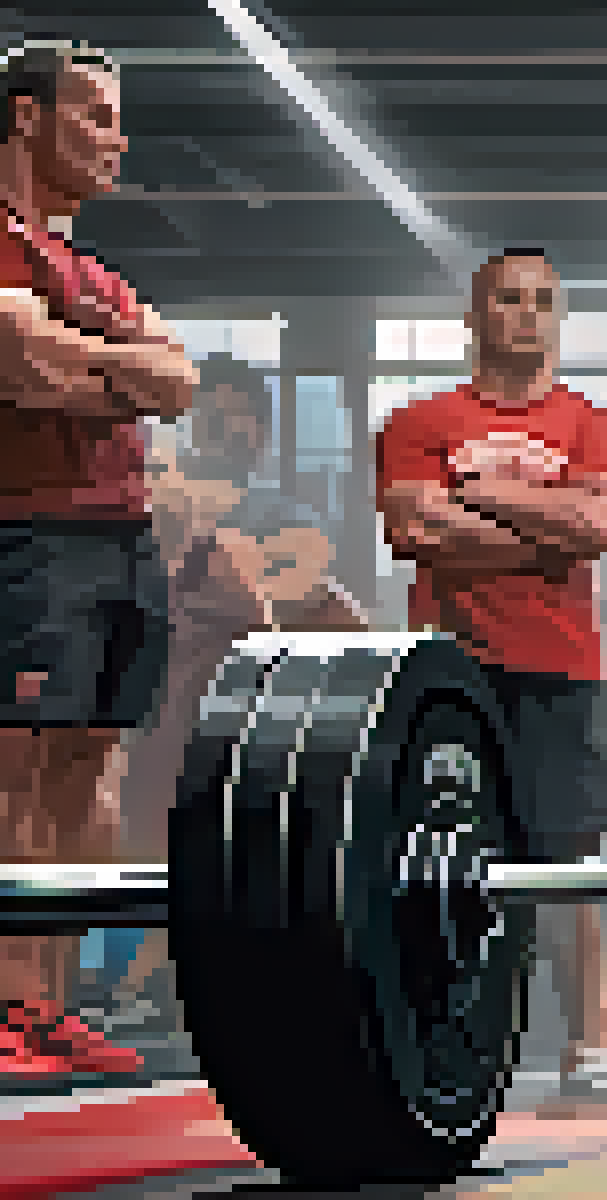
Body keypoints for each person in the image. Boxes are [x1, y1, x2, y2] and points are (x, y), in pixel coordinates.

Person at [375, 247, 607, 1098]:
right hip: (447, 670)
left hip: (561, 669)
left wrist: (478, 492)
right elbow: (416, 532)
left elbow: (593, 530)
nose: (524, 314)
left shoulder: (599, 429)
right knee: (437, 863)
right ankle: (437, 1043)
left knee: (568, 863)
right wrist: (546, 528)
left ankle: (592, 1043)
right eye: (506, 299)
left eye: (539, 301)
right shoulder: (418, 423)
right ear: (474, 314)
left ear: (557, 317)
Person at [0, 39, 195, 1078]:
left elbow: (180, 382)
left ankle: (52, 1009)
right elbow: (22, 366)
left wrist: (89, 359)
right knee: (17, 771)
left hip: (121, 535)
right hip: (27, 530)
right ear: (26, 116)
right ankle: (6, 1004)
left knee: (89, 773)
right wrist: (117, 366)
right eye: (96, 116)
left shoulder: (94, 275)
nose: (117, 140)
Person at [108, 353, 366, 1033]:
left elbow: (324, 607)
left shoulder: (285, 518)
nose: (230, 430)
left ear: (263, 429)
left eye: (243, 417)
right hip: (154, 718)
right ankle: (135, 987)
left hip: (236, 725)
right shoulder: (148, 514)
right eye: (216, 417)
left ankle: (168, 987)